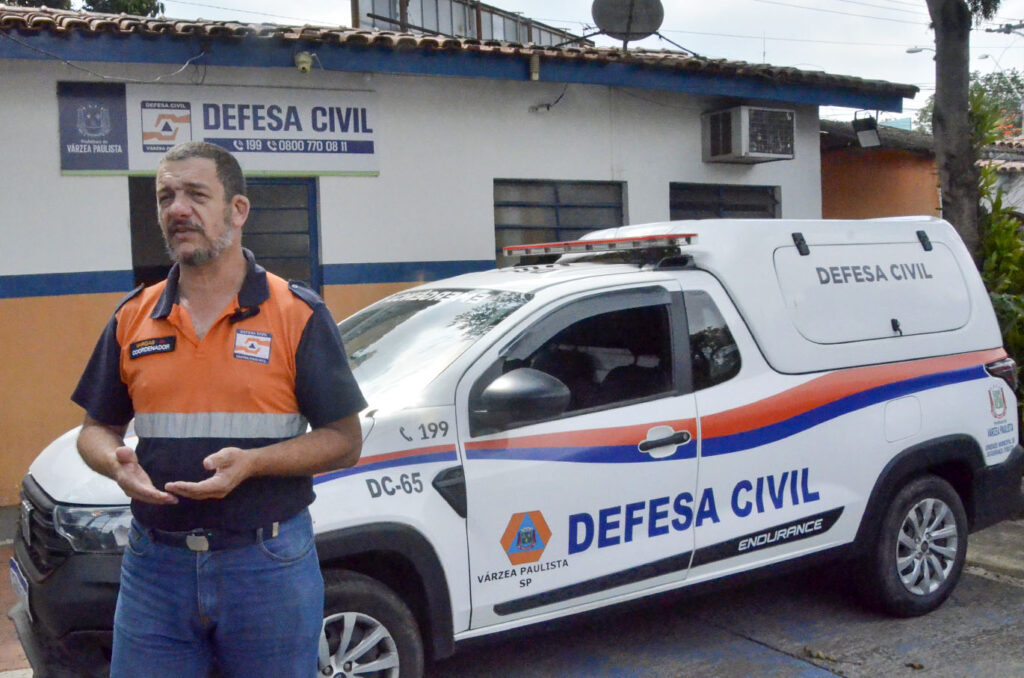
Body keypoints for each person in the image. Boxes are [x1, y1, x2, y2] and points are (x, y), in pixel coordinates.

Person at [72, 141, 366, 678]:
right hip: (155, 568)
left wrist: (254, 464)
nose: (177, 209)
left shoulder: (296, 313)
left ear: (238, 209)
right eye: (166, 197)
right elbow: (94, 429)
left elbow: (346, 440)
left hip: (267, 565)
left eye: (196, 194)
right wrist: (114, 462)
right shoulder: (133, 316)